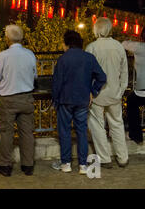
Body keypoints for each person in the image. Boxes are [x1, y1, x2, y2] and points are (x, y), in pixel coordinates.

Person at [51, 31, 106, 174]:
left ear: (67, 43)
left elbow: (57, 83)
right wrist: (92, 92)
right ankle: (83, 165)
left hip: (65, 100)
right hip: (82, 99)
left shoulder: (63, 59)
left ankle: (66, 163)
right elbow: (102, 77)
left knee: (65, 131)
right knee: (81, 131)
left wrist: (55, 101)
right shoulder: (89, 58)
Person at [0, 24, 37, 176]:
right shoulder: (30, 54)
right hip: (26, 98)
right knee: (27, 133)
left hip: (8, 99)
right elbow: (34, 75)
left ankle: (5, 165)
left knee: (6, 133)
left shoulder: (2, 56)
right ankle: (28, 165)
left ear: (7, 39)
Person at [86, 17, 129, 168]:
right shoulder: (118, 46)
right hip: (115, 92)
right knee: (117, 124)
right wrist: (121, 90)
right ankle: (122, 157)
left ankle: (104, 158)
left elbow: (88, 74)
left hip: (97, 93)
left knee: (97, 125)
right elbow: (124, 72)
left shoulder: (91, 47)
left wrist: (89, 92)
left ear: (96, 29)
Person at [122, 28, 145, 144]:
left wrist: (135, 40)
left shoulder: (138, 47)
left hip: (142, 90)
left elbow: (124, 43)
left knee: (131, 101)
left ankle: (136, 135)